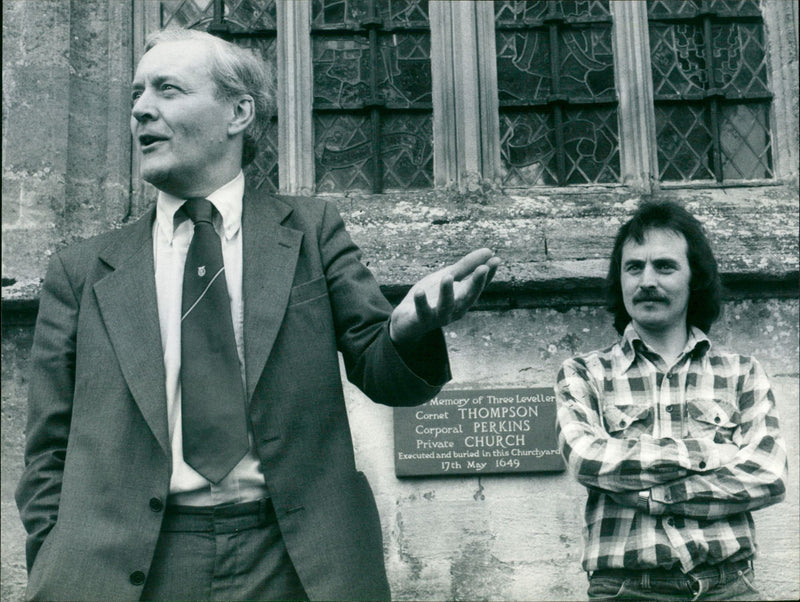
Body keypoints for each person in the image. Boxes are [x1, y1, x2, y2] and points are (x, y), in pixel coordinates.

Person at [15, 29, 499, 601]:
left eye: (167, 90)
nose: (142, 108)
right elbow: (48, 449)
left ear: (239, 112)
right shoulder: (81, 271)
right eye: (137, 94)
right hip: (130, 565)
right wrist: (55, 554)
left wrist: (408, 328)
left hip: (292, 560)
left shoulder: (311, 232)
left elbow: (382, 369)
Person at [555, 201, 787, 601]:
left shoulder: (742, 373)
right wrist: (710, 454)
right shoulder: (583, 373)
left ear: (694, 277)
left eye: (664, 266)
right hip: (627, 589)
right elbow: (587, 459)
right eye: (634, 267)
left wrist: (660, 496)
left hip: (730, 586)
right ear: (621, 279)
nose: (647, 280)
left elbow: (768, 474)